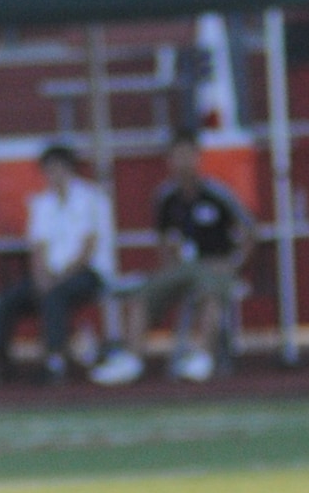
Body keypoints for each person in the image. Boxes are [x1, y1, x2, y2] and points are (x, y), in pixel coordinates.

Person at [95, 132, 253, 387]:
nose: (182, 161)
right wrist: (169, 263)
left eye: (187, 155)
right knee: (143, 294)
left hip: (215, 266)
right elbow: (164, 239)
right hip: (181, 268)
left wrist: (235, 263)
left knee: (210, 294)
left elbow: (248, 230)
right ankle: (132, 358)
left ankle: (202, 356)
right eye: (176, 156)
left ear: (197, 158)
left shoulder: (216, 193)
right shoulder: (166, 197)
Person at [0, 143, 114, 383]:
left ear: (70, 169)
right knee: (9, 298)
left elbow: (88, 248)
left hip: (87, 272)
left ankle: (55, 361)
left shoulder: (91, 198)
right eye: (48, 170)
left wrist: (57, 279)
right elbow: (37, 247)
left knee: (55, 296)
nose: (53, 175)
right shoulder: (42, 203)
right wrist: (41, 276)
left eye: (58, 168)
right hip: (51, 274)